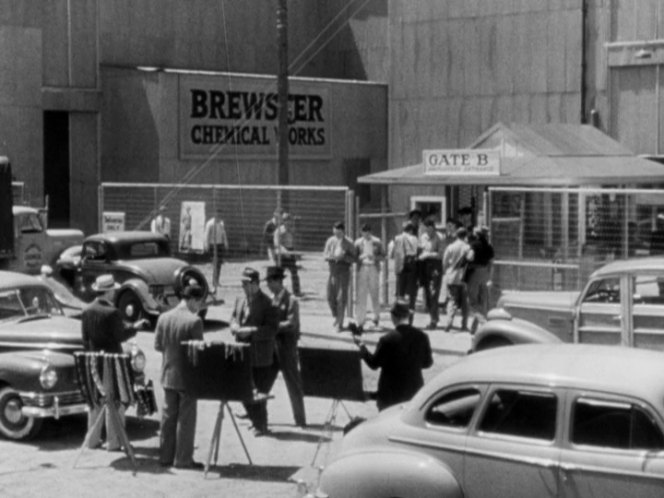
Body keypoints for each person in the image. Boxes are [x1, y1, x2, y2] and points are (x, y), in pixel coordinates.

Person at [81, 274, 149, 451]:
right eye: (113, 290)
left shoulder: (87, 310)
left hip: (92, 362)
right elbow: (120, 335)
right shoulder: (112, 312)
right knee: (116, 401)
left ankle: (93, 440)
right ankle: (114, 440)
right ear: (108, 291)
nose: (114, 293)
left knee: (96, 402)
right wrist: (135, 327)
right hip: (111, 363)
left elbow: (85, 339)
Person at [154, 281, 206, 469]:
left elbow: (158, 346)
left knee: (168, 418)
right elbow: (199, 352)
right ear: (193, 300)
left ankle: (166, 457)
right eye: (199, 303)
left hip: (168, 375)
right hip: (187, 378)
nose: (199, 307)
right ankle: (183, 459)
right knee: (186, 419)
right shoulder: (194, 321)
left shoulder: (164, 318)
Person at [352, 300, 433, 411]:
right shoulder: (422, 337)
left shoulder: (387, 340)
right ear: (408, 316)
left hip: (389, 398)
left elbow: (373, 364)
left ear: (393, 317)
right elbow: (428, 363)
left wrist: (362, 347)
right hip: (414, 396)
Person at [230, 267, 279, 436]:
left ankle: (261, 425)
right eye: (242, 283)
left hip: (260, 355)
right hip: (242, 353)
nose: (243, 286)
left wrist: (251, 331)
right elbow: (233, 318)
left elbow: (272, 329)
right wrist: (234, 327)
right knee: (243, 390)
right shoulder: (239, 299)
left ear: (255, 284)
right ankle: (254, 420)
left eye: (246, 283)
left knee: (260, 392)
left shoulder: (268, 303)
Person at [263, 266, 307, 428]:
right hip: (272, 348)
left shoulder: (291, 300)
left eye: (270, 281)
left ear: (278, 281)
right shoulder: (271, 299)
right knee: (264, 383)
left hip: (287, 348)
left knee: (293, 384)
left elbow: (291, 323)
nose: (268, 285)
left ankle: (300, 419)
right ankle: (256, 415)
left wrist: (272, 326)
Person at [323, 222, 356, 332]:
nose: (337, 235)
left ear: (343, 231)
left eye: (339, 233)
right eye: (335, 232)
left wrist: (344, 257)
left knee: (341, 298)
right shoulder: (330, 241)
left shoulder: (349, 243)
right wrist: (330, 257)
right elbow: (325, 254)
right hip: (332, 271)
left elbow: (355, 258)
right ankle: (337, 316)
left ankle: (340, 324)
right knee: (330, 297)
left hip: (343, 272)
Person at [353, 223, 385, 330]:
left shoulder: (377, 241)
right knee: (361, 294)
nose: (366, 233)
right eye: (364, 231)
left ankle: (376, 316)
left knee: (374, 292)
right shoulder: (358, 242)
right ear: (361, 232)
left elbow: (383, 256)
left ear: (370, 231)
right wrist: (360, 257)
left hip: (373, 267)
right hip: (362, 267)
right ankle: (360, 320)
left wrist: (375, 257)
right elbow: (354, 257)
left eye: (368, 231)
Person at [388, 221, 419, 322]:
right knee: (411, 294)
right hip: (412, 266)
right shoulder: (414, 238)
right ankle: (410, 319)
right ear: (411, 230)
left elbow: (391, 254)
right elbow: (417, 250)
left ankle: (399, 318)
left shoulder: (396, 239)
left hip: (400, 267)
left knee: (400, 294)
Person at [466, 226, 495, 333]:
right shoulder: (489, 246)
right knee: (482, 301)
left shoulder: (475, 244)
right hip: (485, 274)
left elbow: (469, 257)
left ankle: (484, 323)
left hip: (475, 273)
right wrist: (490, 279)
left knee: (472, 303)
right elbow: (492, 264)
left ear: (477, 234)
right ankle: (474, 328)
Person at [443, 227, 471, 331]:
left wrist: (446, 271)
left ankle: (449, 322)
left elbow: (445, 262)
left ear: (456, 235)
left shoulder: (450, 246)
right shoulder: (467, 247)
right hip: (463, 278)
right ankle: (464, 325)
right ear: (465, 236)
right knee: (465, 302)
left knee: (452, 300)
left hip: (452, 277)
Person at [419, 218, 445, 329]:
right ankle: (433, 317)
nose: (429, 233)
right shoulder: (423, 237)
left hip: (435, 266)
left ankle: (434, 319)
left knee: (434, 292)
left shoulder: (440, 237)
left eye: (431, 230)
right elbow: (420, 250)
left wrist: (428, 254)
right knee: (427, 293)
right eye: (427, 231)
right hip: (425, 266)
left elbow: (441, 254)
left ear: (434, 228)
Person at [273, 213, 302, 296]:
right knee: (279, 274)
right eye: (287, 220)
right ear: (283, 221)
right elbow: (277, 244)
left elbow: (293, 243)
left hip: (291, 251)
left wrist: (295, 253)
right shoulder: (279, 231)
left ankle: (296, 291)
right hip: (281, 253)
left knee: (294, 273)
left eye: (290, 220)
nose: (289, 222)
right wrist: (285, 252)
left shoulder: (292, 230)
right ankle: (278, 292)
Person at [204, 211, 228, 288]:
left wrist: (225, 242)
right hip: (213, 245)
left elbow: (223, 233)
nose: (219, 216)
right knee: (215, 263)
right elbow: (207, 235)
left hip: (220, 245)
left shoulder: (221, 223)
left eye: (220, 215)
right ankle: (214, 281)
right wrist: (206, 245)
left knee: (219, 264)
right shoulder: (210, 223)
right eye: (217, 215)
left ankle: (217, 280)